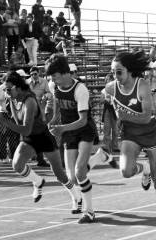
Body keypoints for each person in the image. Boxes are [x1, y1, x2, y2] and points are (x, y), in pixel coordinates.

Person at [0, 71, 81, 212]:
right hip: (29, 139)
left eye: (8, 89)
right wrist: (6, 118)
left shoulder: (30, 101)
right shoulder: (12, 99)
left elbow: (26, 129)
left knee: (59, 174)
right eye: (4, 89)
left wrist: (4, 121)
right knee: (17, 165)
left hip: (42, 137)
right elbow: (20, 125)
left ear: (18, 87)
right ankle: (37, 181)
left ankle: (76, 196)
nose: (6, 92)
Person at [104, 51, 156, 221]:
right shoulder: (111, 88)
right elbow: (111, 111)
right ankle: (144, 168)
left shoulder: (142, 86)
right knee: (126, 171)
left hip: (150, 131)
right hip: (131, 133)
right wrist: (113, 130)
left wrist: (124, 117)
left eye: (119, 71)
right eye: (113, 72)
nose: (115, 75)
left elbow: (146, 117)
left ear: (130, 71)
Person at [45, 54, 98, 224]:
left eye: (55, 75)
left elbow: (82, 120)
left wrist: (61, 129)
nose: (52, 79)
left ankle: (89, 211)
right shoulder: (54, 86)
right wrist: (54, 121)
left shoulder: (80, 89)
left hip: (84, 130)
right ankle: (99, 157)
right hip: (68, 131)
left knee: (80, 171)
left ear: (65, 73)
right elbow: (58, 106)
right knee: (72, 177)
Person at [26, 66, 53, 167]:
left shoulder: (44, 82)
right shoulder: (26, 83)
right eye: (32, 74)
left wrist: (46, 96)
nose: (33, 76)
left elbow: (48, 93)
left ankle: (40, 158)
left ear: (39, 74)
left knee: (40, 133)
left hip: (40, 110)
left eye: (35, 74)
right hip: (29, 110)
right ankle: (37, 158)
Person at [0, 73, 20, 164]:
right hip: (3, 113)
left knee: (13, 137)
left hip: (12, 114)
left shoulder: (13, 87)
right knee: (3, 136)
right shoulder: (0, 89)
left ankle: (12, 157)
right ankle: (2, 157)